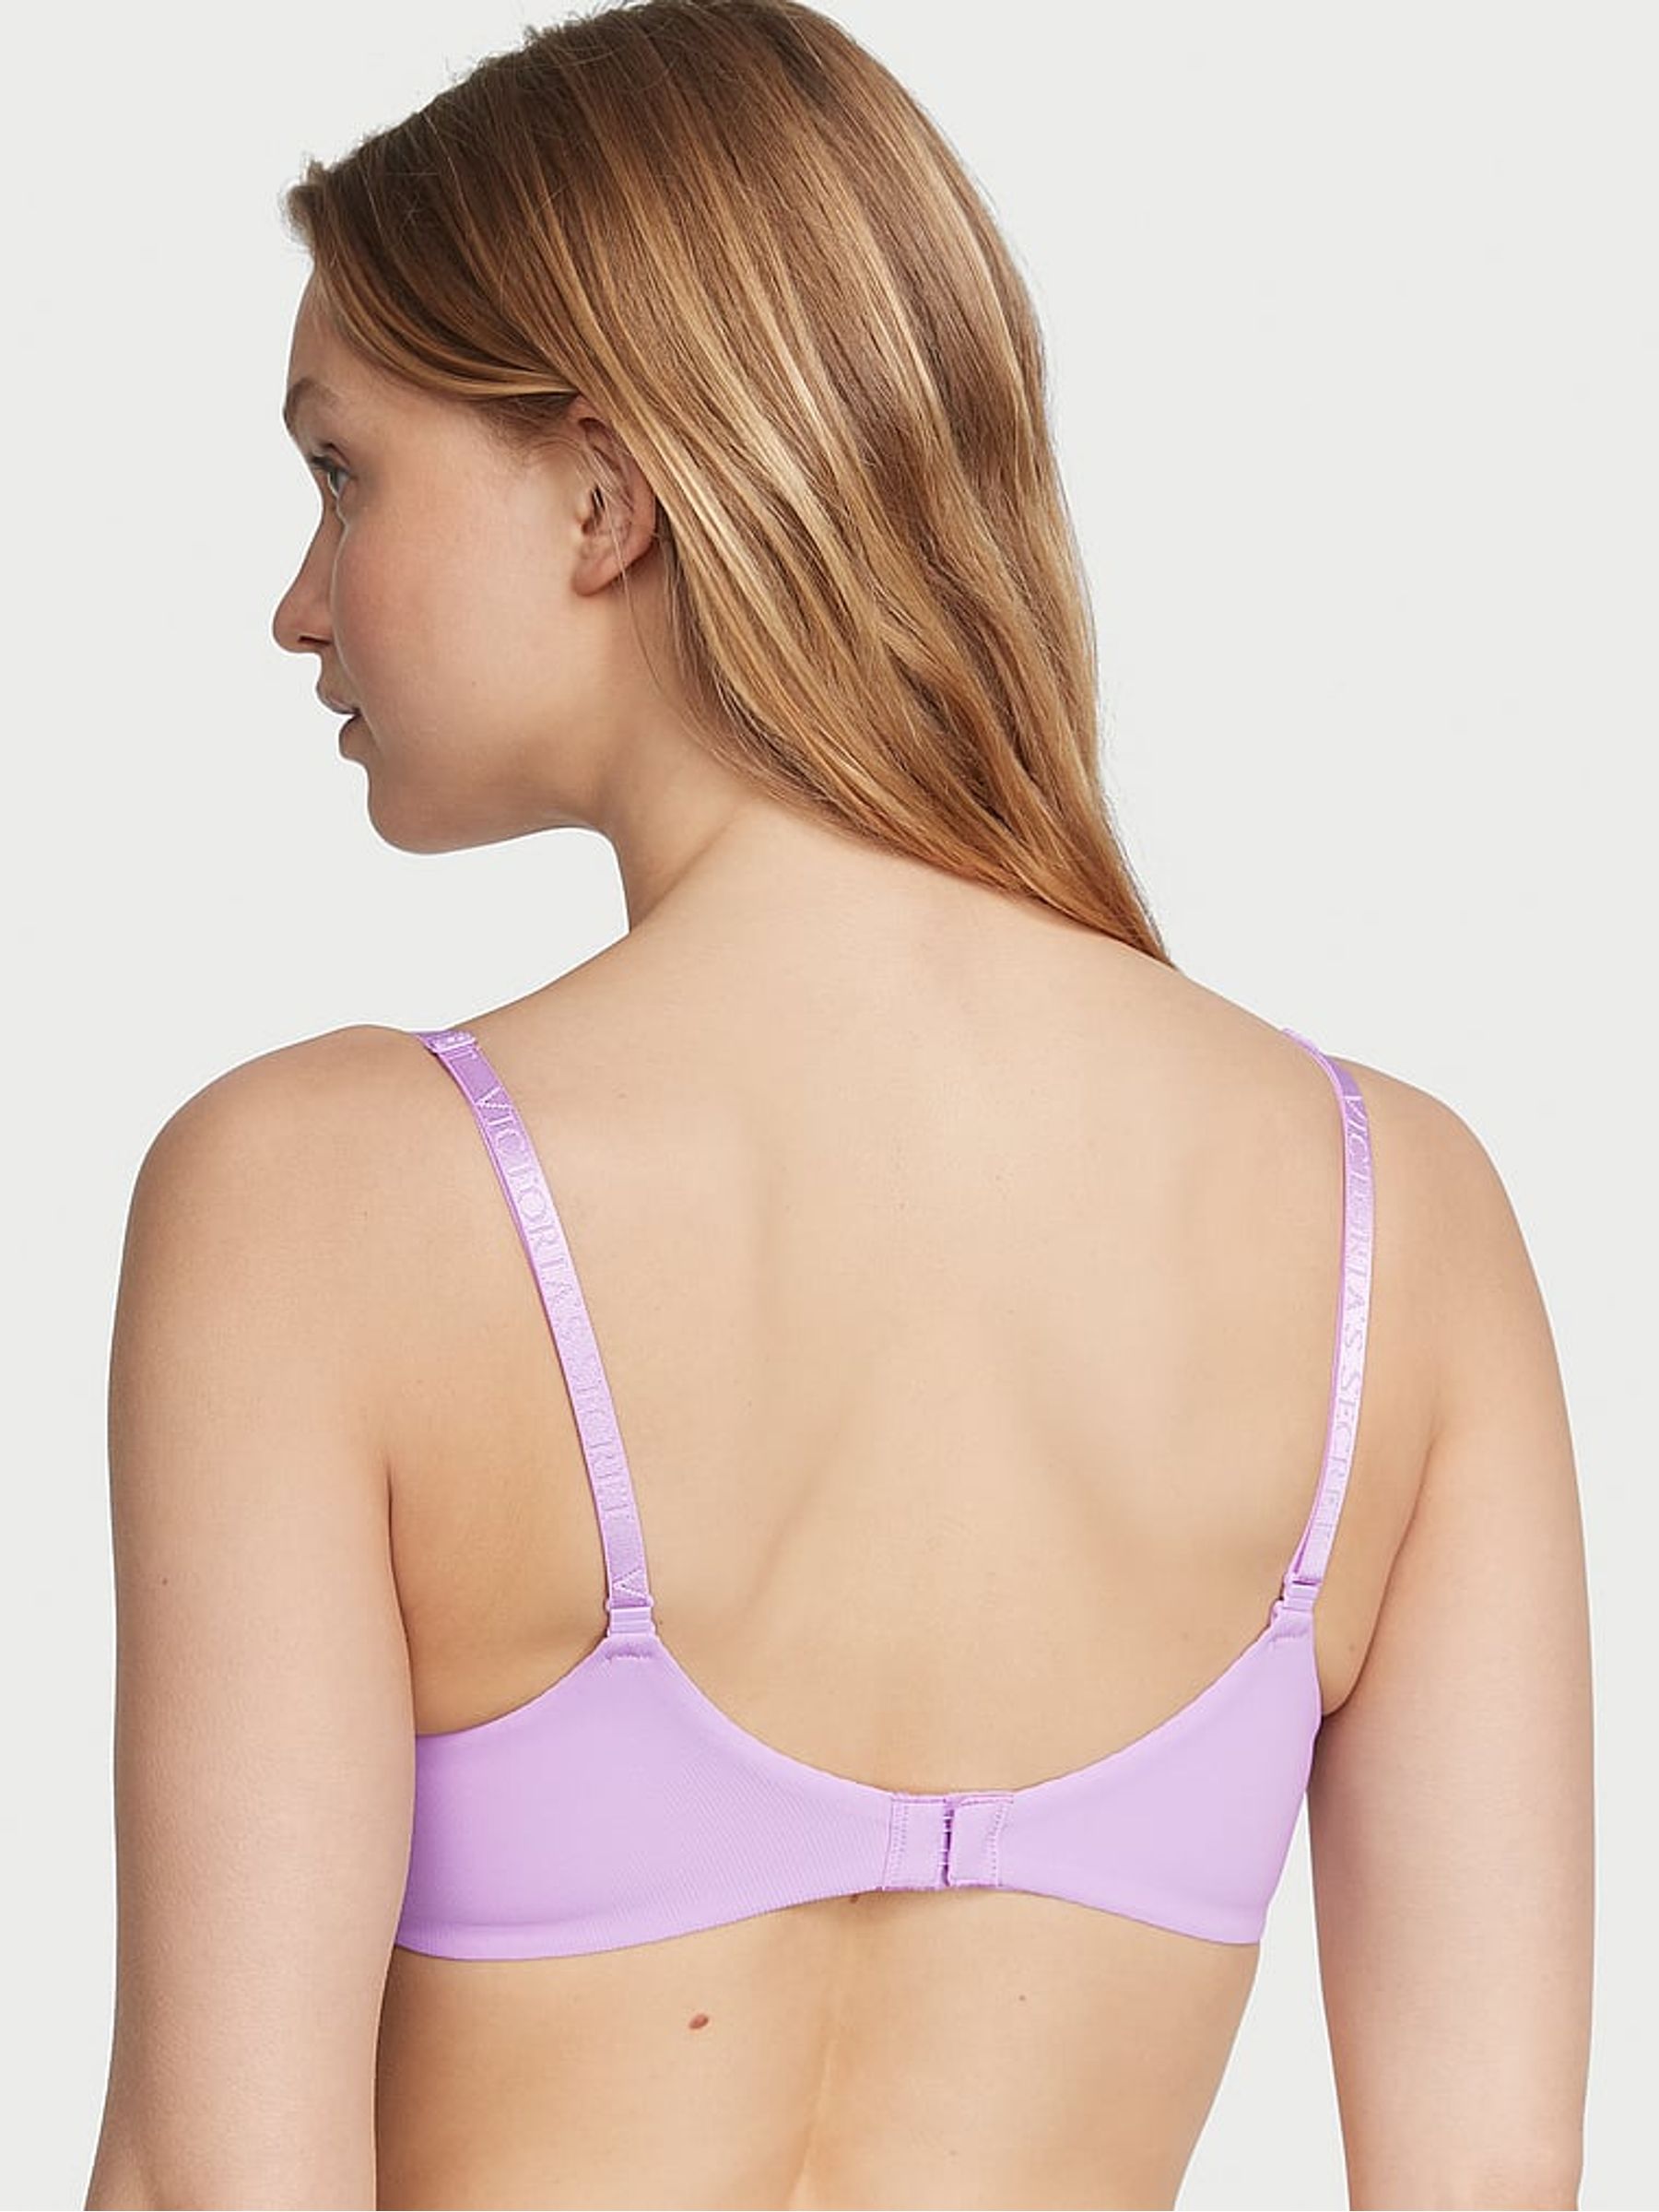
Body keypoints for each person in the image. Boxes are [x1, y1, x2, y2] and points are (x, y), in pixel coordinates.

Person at [83, 2, 1593, 2206]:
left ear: (607, 496)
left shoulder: (322, 1202)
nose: (297, 605)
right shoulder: (1396, 1230)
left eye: (342, 470)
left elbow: (208, 2181)